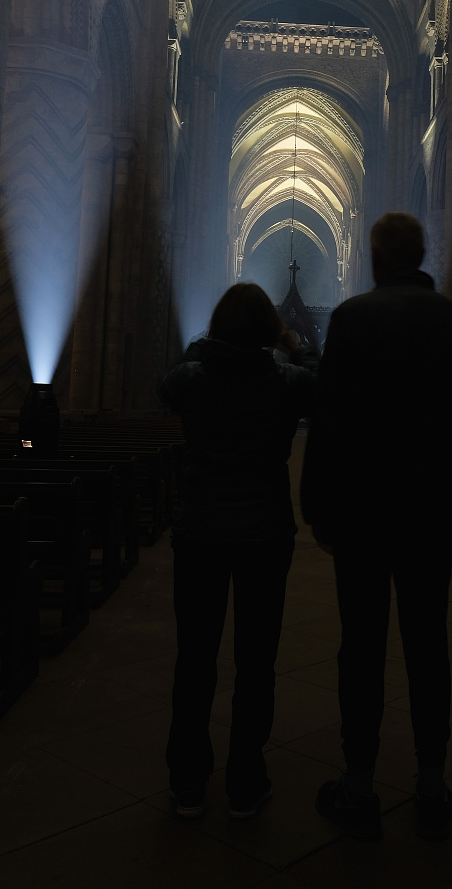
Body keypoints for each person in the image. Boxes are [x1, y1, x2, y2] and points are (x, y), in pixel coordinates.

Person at [300, 212, 452, 841]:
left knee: (361, 647)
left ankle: (358, 783)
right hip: (432, 515)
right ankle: (431, 782)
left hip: (362, 515)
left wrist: (319, 511)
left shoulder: (352, 320)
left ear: (375, 259)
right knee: (428, 646)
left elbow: (326, 425)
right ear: (422, 253)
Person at [159, 282, 317, 821]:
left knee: (195, 659)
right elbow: (324, 387)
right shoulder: (284, 380)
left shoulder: (194, 377)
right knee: (256, 663)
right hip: (263, 535)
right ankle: (246, 782)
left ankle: (187, 781)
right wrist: (297, 347)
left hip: (201, 532)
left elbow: (170, 384)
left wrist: (206, 344)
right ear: (271, 331)